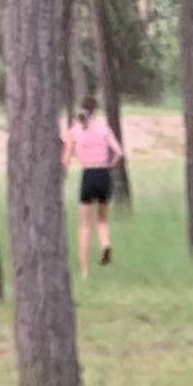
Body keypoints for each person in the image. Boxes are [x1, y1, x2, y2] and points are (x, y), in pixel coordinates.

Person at [65, 100, 123, 271]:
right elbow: (119, 152)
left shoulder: (75, 130)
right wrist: (110, 165)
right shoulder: (103, 128)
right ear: (95, 111)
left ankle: (84, 269)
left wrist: (65, 171)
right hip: (103, 174)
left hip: (88, 174)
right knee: (102, 219)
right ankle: (105, 244)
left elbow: (66, 156)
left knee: (84, 224)